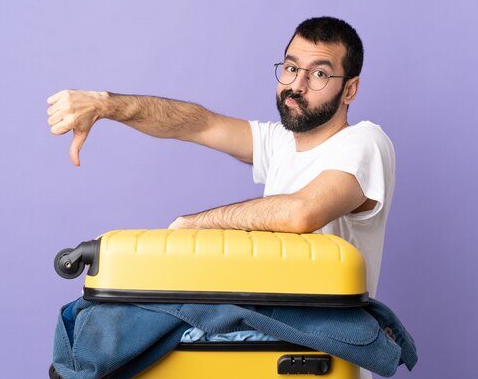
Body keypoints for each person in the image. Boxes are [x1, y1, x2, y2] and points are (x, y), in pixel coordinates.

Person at [46, 16, 395, 299]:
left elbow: (301, 213)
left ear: (350, 89)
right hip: (267, 347)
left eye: (318, 74)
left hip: (324, 359)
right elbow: (198, 124)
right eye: (290, 68)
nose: (297, 85)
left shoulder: (364, 141)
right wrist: (106, 104)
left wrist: (193, 225)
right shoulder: (281, 142)